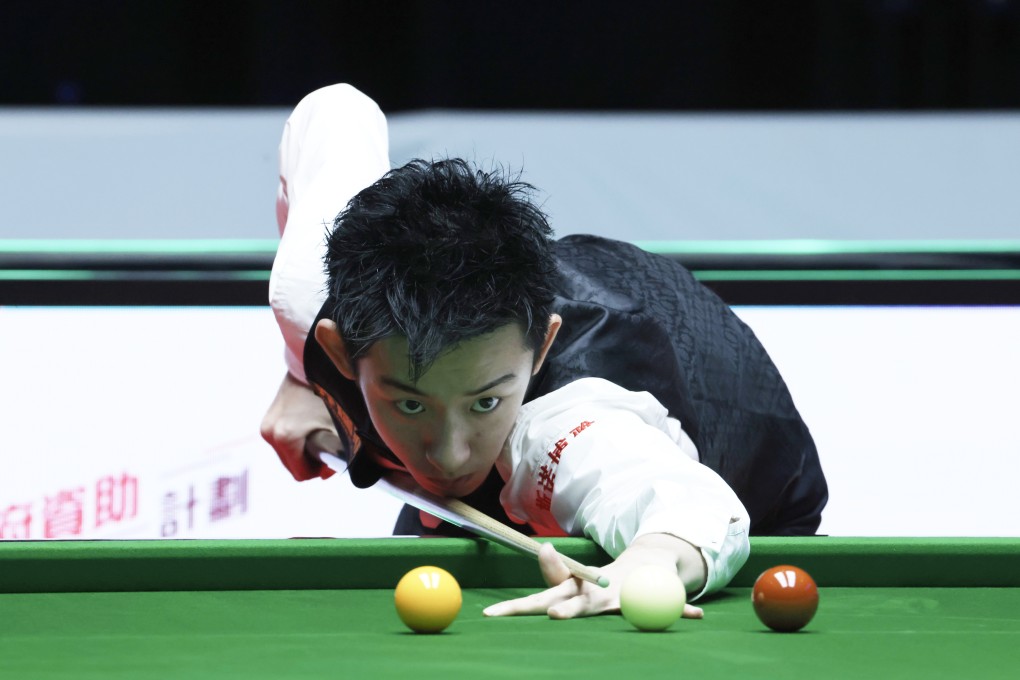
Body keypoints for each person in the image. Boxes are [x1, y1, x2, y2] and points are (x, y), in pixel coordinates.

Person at [261, 84, 828, 620]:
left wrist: (651, 562)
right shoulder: (309, 291)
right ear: (340, 352)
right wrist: (298, 378)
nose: (451, 456)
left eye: (484, 403)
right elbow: (337, 110)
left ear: (541, 348)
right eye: (410, 405)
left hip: (749, 467)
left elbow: (682, 501)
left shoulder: (569, 420)